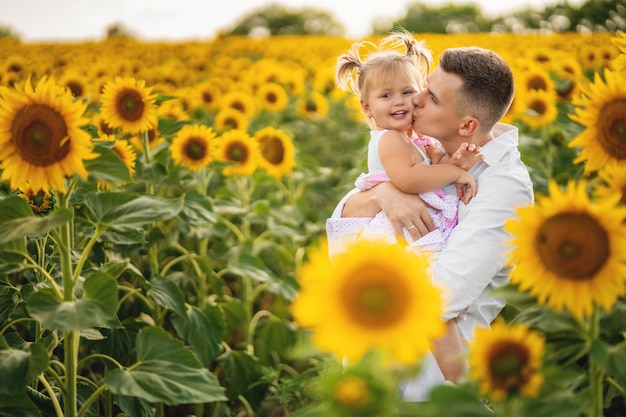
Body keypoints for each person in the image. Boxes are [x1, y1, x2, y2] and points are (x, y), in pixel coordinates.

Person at [327, 45, 534, 401]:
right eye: (422, 88)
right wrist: (383, 196)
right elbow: (343, 223)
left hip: (429, 385)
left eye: (430, 96)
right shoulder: (419, 143)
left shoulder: (504, 187)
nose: (415, 100)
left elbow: (439, 297)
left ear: (467, 125)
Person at [331, 31, 484, 256]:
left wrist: (457, 159)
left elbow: (435, 164)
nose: (398, 101)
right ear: (367, 108)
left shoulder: (416, 138)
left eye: (407, 92)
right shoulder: (390, 139)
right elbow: (408, 179)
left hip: (414, 221)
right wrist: (454, 172)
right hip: (393, 231)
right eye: (385, 96)